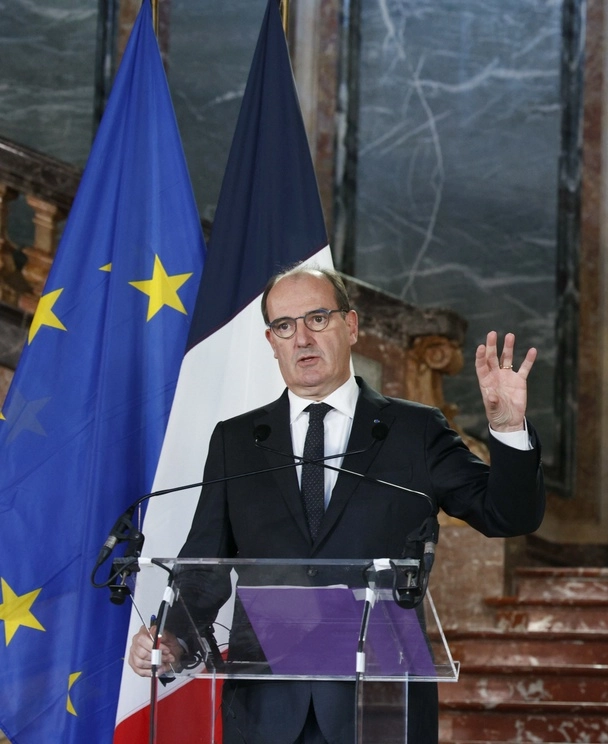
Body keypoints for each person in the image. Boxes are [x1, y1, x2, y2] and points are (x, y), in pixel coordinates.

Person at [127, 266, 546, 743]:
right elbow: (205, 568)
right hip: (266, 708)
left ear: (350, 326)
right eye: (285, 326)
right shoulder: (238, 441)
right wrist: (173, 639)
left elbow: (507, 515)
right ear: (271, 340)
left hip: (380, 708)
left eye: (317, 319)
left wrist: (509, 428)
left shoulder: (414, 432)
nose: (302, 338)